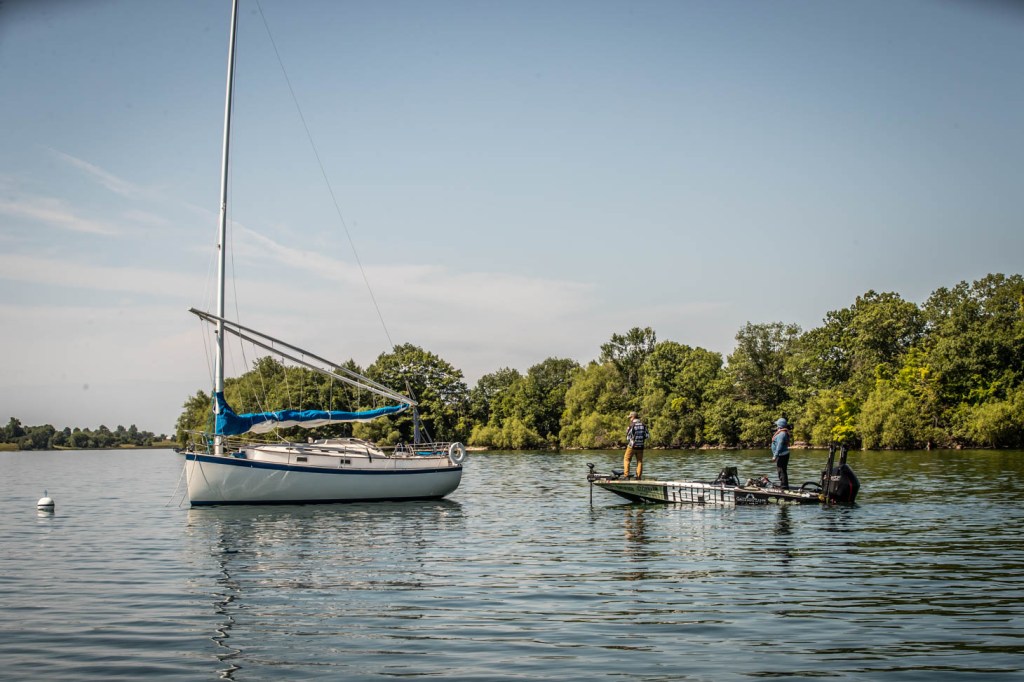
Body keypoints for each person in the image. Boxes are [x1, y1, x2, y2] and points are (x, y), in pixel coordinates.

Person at [623, 411, 649, 479]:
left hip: (632, 446)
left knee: (626, 459)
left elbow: (628, 437)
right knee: (639, 461)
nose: (630, 419)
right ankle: (638, 477)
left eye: (630, 417)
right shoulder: (643, 425)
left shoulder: (632, 425)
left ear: (633, 417)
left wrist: (629, 435)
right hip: (641, 446)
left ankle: (626, 475)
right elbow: (647, 436)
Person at [771, 417, 791, 489]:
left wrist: (775, 456)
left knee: (781, 471)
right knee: (781, 471)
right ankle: (784, 484)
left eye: (777, 425)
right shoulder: (783, 432)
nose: (776, 426)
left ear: (779, 426)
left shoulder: (782, 434)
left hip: (782, 455)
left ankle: (784, 487)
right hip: (783, 455)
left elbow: (779, 445)